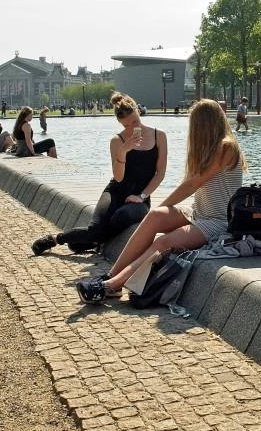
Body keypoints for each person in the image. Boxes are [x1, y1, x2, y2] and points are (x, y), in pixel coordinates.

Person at [76, 99, 247, 303]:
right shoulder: (212, 148)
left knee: (163, 242)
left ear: (203, 125)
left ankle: (112, 286)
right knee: (155, 216)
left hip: (218, 221)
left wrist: (163, 203)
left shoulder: (225, 147)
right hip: (200, 213)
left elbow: (191, 185)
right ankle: (110, 275)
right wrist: (161, 209)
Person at [31, 92, 167, 256]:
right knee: (94, 228)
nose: (131, 129)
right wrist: (123, 152)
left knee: (121, 216)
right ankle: (55, 239)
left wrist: (143, 195)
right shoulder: (117, 141)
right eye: (126, 126)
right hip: (115, 191)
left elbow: (160, 172)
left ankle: (94, 240)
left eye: (134, 122)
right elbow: (118, 178)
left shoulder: (159, 135)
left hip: (140, 198)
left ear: (138, 111)